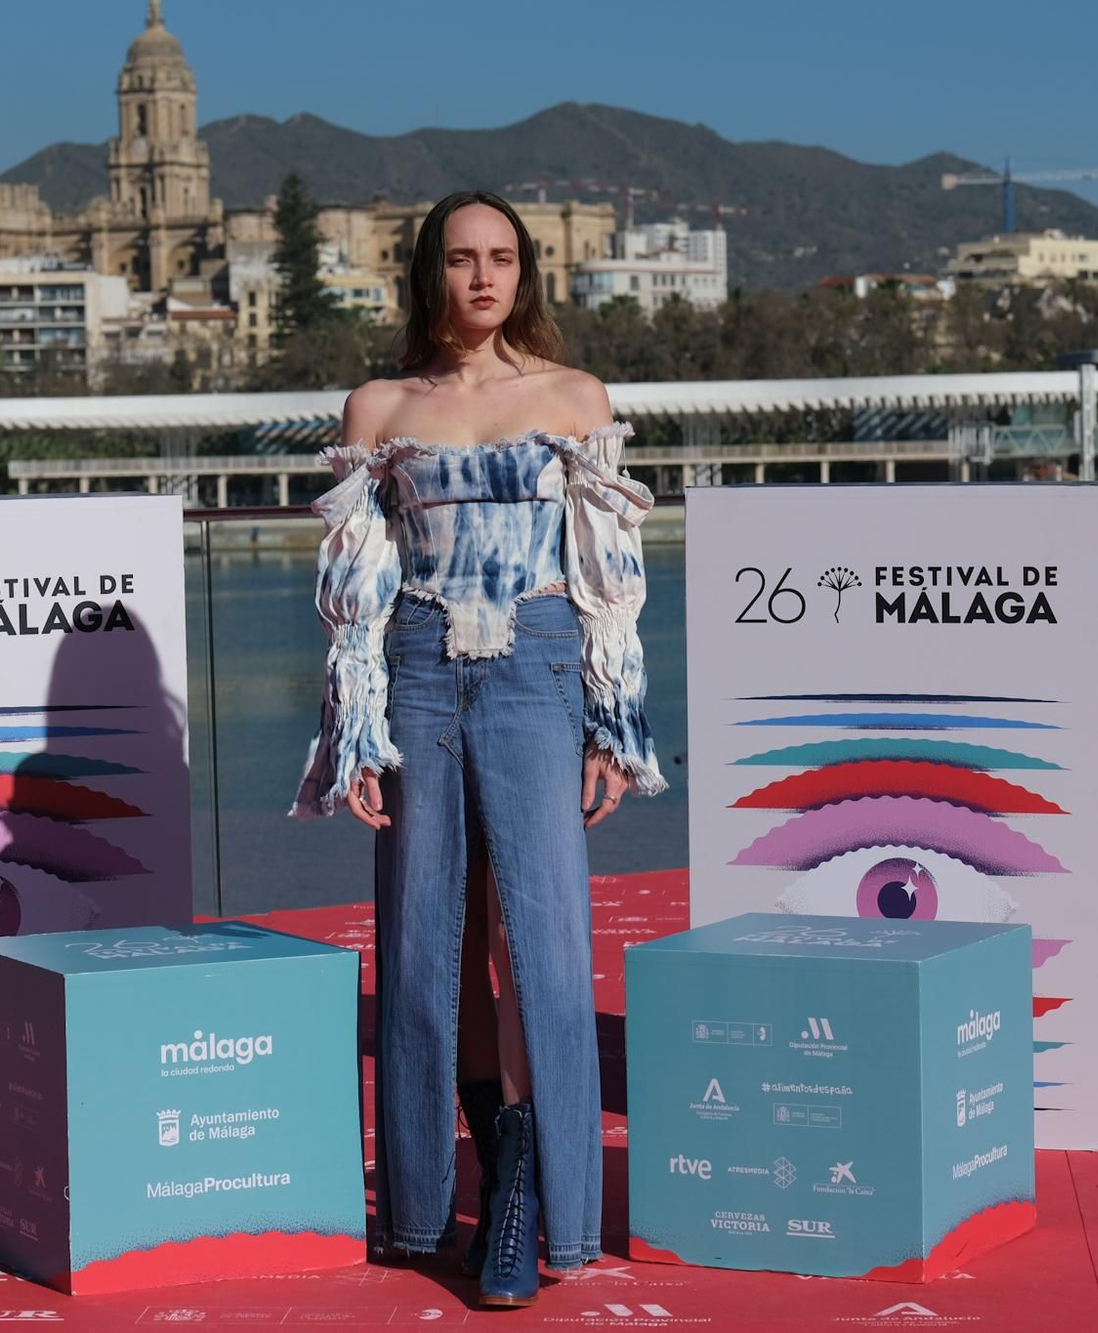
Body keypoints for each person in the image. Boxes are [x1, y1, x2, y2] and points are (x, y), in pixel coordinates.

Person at [292, 190, 666, 1308]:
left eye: (501, 257)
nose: (481, 277)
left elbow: (609, 581)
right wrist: (351, 725)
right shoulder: (378, 405)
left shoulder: (570, 397)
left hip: (539, 664)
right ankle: (427, 1199)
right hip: (414, 665)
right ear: (428, 274)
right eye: (460, 258)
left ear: (524, 274)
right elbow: (355, 592)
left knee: (538, 934)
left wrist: (613, 717)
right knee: (424, 935)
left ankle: (530, 1200)